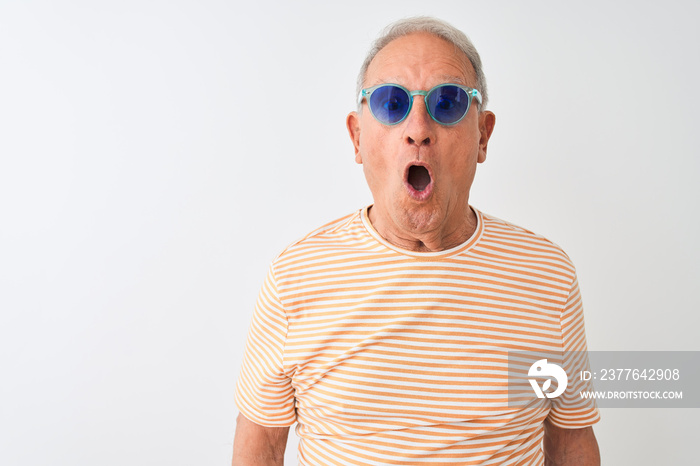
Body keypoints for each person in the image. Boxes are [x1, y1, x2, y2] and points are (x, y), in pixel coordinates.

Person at [232, 16, 600, 466]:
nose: (418, 128)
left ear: (482, 135)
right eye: (391, 104)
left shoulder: (546, 278)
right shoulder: (295, 278)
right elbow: (261, 446)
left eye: (447, 103)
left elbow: (570, 442)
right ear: (357, 136)